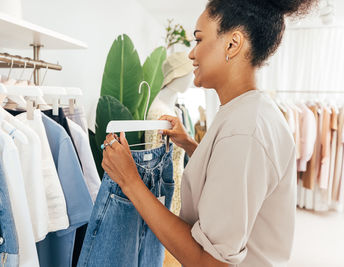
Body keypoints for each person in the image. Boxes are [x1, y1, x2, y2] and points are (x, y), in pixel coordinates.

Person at [101, 0, 317, 266]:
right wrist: (191, 145)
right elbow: (228, 174)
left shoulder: (244, 130)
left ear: (232, 44)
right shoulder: (245, 112)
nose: (192, 54)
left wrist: (130, 181)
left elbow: (210, 262)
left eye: (199, 39)